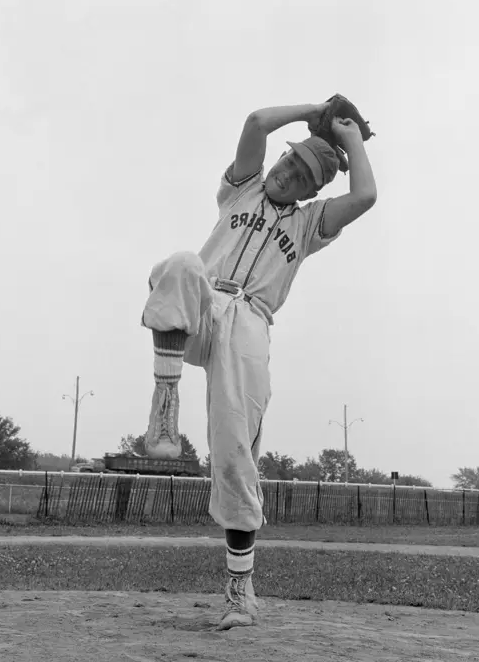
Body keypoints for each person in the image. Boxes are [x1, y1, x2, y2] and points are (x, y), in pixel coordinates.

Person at [140, 100, 377, 630]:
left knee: (234, 454)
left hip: (250, 321)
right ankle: (166, 403)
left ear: (311, 191)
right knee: (179, 264)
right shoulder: (241, 188)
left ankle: (240, 592)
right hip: (204, 305)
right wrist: (313, 111)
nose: (284, 171)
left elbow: (364, 195)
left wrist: (351, 138)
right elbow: (254, 124)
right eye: (288, 161)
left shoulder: (312, 222)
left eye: (298, 174)